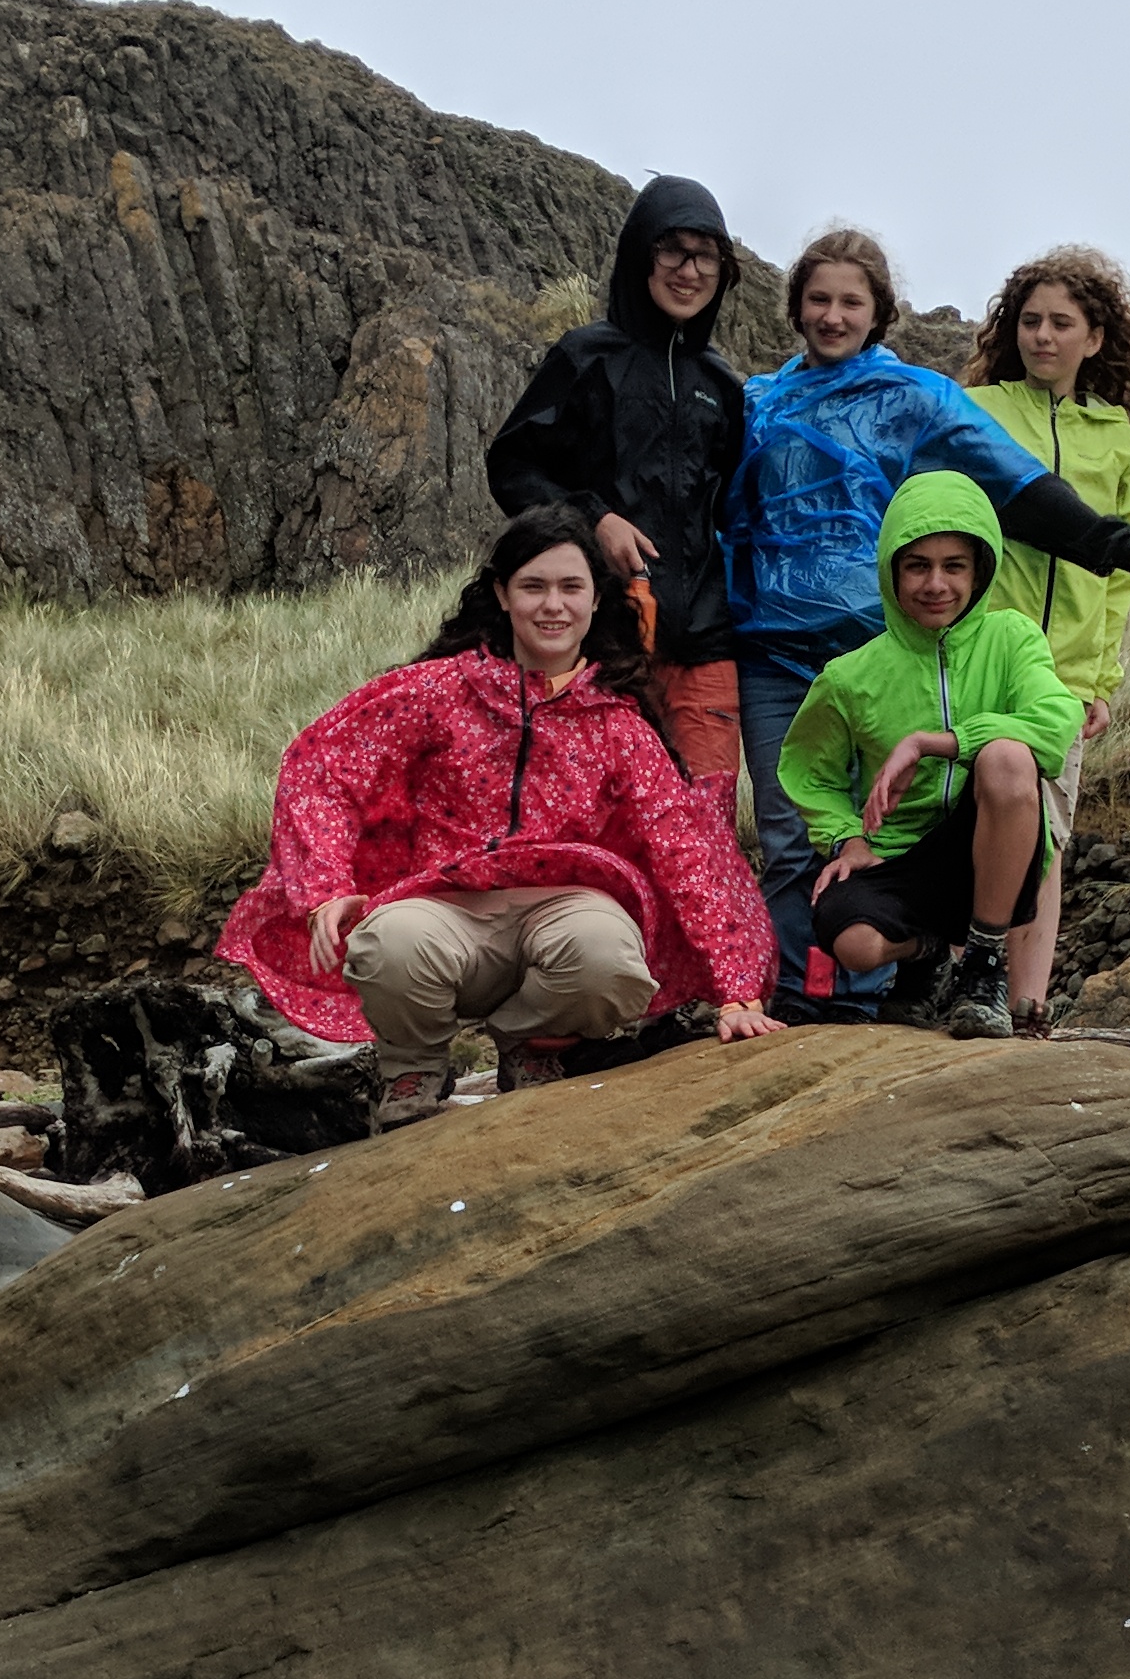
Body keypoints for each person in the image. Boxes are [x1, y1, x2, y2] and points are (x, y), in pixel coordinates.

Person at [722, 227, 1130, 1000]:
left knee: (894, 829)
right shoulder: (757, 402)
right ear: (796, 307)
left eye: (851, 301)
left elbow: (1014, 485)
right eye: (819, 300)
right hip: (771, 649)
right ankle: (799, 999)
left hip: (880, 643)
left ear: (880, 312)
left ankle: (896, 993)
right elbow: (717, 510)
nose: (833, 315)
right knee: (790, 832)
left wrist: (1112, 546)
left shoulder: (916, 400)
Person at [219, 506, 782, 1133]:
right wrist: (323, 888)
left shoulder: (619, 724)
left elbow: (688, 852)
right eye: (533, 586)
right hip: (441, 911)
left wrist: (736, 989)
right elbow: (321, 768)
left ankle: (531, 1045)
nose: (553, 605)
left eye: (572, 587)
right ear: (501, 594)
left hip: (567, 913)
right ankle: (415, 1069)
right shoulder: (436, 692)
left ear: (597, 601)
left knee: (610, 960)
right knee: (386, 944)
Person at [776, 474, 1081, 1040]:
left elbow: (1055, 723)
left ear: (980, 570)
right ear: (892, 572)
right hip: (901, 857)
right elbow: (806, 772)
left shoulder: (1011, 638)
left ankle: (982, 967)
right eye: (917, 565)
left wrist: (934, 741)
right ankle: (931, 956)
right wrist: (848, 838)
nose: (935, 584)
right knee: (853, 942)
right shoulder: (851, 676)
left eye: (954, 566)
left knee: (1009, 758)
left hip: (992, 848)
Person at [484, 176, 749, 803]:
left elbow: (734, 505)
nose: (689, 271)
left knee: (702, 827)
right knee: (605, 818)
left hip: (707, 646)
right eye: (672, 250)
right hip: (603, 637)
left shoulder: (723, 384)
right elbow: (513, 465)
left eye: (705, 255)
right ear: (639, 253)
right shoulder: (585, 357)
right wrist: (594, 520)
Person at [964, 247, 1130, 1034]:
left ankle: (1029, 1002)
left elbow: (1121, 580)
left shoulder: (1117, 438)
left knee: (1046, 837)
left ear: (1095, 338)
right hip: (983, 655)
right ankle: (964, 987)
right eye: (1030, 321)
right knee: (970, 823)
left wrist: (1100, 681)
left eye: (1061, 323)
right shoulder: (979, 409)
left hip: (1065, 675)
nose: (1042, 336)